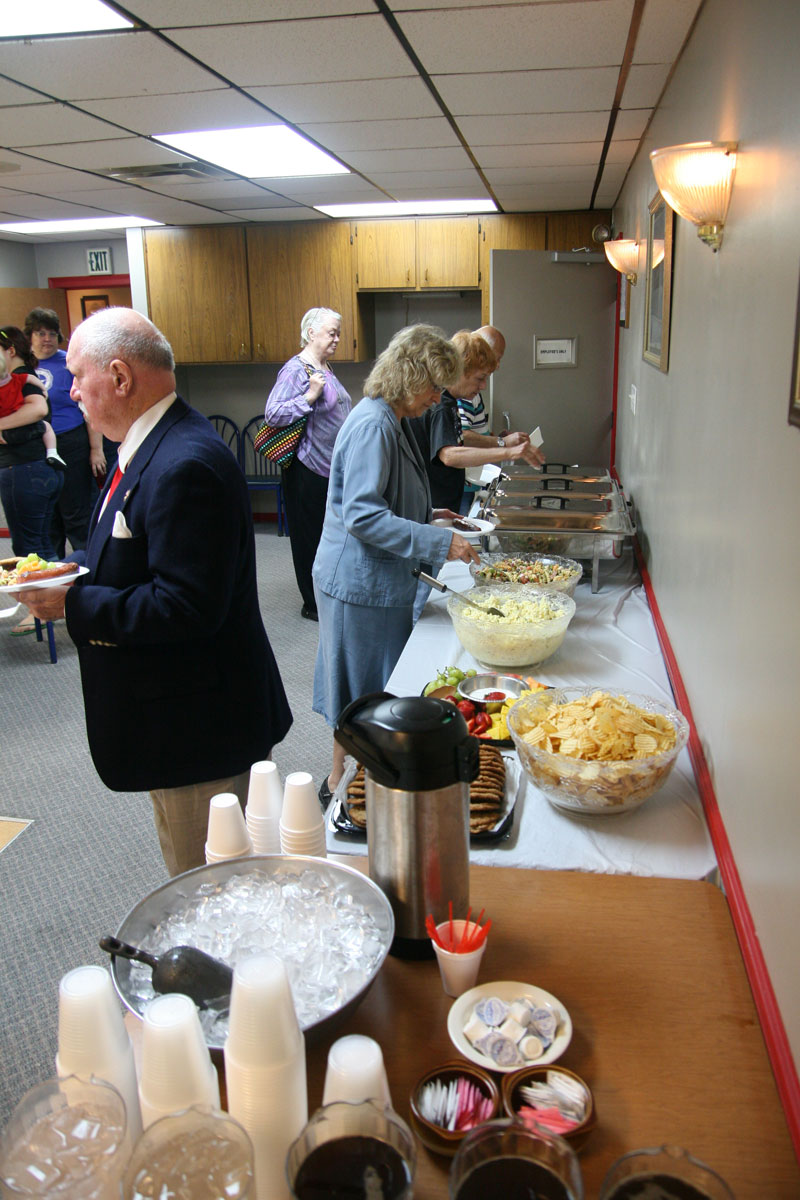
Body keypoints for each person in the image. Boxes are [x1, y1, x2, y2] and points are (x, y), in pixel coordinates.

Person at [21, 307, 293, 876]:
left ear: (120, 378)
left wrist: (70, 603)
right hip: (171, 718)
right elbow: (128, 550)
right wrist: (64, 569)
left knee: (212, 895)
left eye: (77, 376)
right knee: (195, 876)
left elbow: (185, 607)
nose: (70, 390)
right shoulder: (150, 443)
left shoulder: (184, 462)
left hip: (200, 731)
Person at [312, 324, 479, 805]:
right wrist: (436, 540)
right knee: (362, 692)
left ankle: (353, 776)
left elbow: (384, 497)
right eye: (433, 388)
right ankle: (342, 786)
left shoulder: (393, 418)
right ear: (409, 377)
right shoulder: (373, 424)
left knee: (375, 684)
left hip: (375, 575)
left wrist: (430, 515)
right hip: (356, 581)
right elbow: (363, 514)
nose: (436, 398)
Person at [264, 307, 351, 621]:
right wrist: (310, 397)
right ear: (311, 332)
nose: (337, 339)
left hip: (329, 468)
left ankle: (328, 593)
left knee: (329, 534)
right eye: (332, 332)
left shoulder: (324, 366)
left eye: (338, 333)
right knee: (309, 537)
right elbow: (273, 413)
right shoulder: (295, 370)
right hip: (307, 468)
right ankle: (312, 603)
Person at [24, 307, 105, 557]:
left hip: (71, 443)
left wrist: (96, 449)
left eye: (51, 333)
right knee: (47, 517)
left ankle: (90, 570)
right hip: (34, 447)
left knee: (77, 513)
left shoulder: (69, 362)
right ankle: (53, 576)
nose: (46, 338)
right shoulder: (20, 366)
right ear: (30, 336)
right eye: (40, 333)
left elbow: (90, 409)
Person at [0, 337, 65, 635]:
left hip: (27, 470)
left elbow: (39, 412)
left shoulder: (23, 380)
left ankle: (43, 610)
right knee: (39, 543)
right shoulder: (21, 379)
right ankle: (53, 605)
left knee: (29, 548)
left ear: (9, 351)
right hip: (29, 469)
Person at [0, 330, 67, 471]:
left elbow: (39, 410)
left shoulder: (20, 378)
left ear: (10, 351)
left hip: (25, 462)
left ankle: (53, 452)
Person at [456, 325, 506, 436]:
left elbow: (478, 433)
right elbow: (463, 436)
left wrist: (498, 440)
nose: (497, 365)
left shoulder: (473, 391)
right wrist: (501, 443)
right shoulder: (465, 392)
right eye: (496, 358)